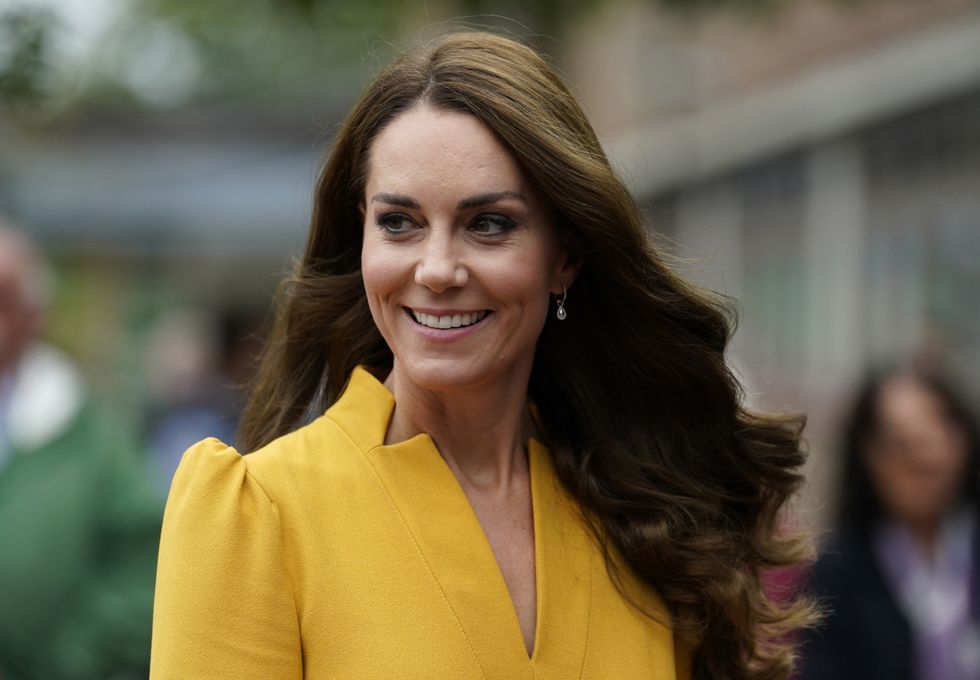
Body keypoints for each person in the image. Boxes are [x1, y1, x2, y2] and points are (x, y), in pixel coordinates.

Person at [150, 32, 814, 680]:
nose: (436, 269)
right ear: (361, 240)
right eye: (399, 223)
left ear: (565, 258)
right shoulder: (259, 513)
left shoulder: (650, 516)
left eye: (488, 224)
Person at [0, 223, 162, 679]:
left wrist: (71, 661)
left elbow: (141, 567)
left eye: (2, 302)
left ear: (35, 317)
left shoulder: (85, 428)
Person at [799, 365, 980, 680]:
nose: (927, 461)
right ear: (868, 457)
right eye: (902, 445)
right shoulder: (839, 571)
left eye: (937, 438)